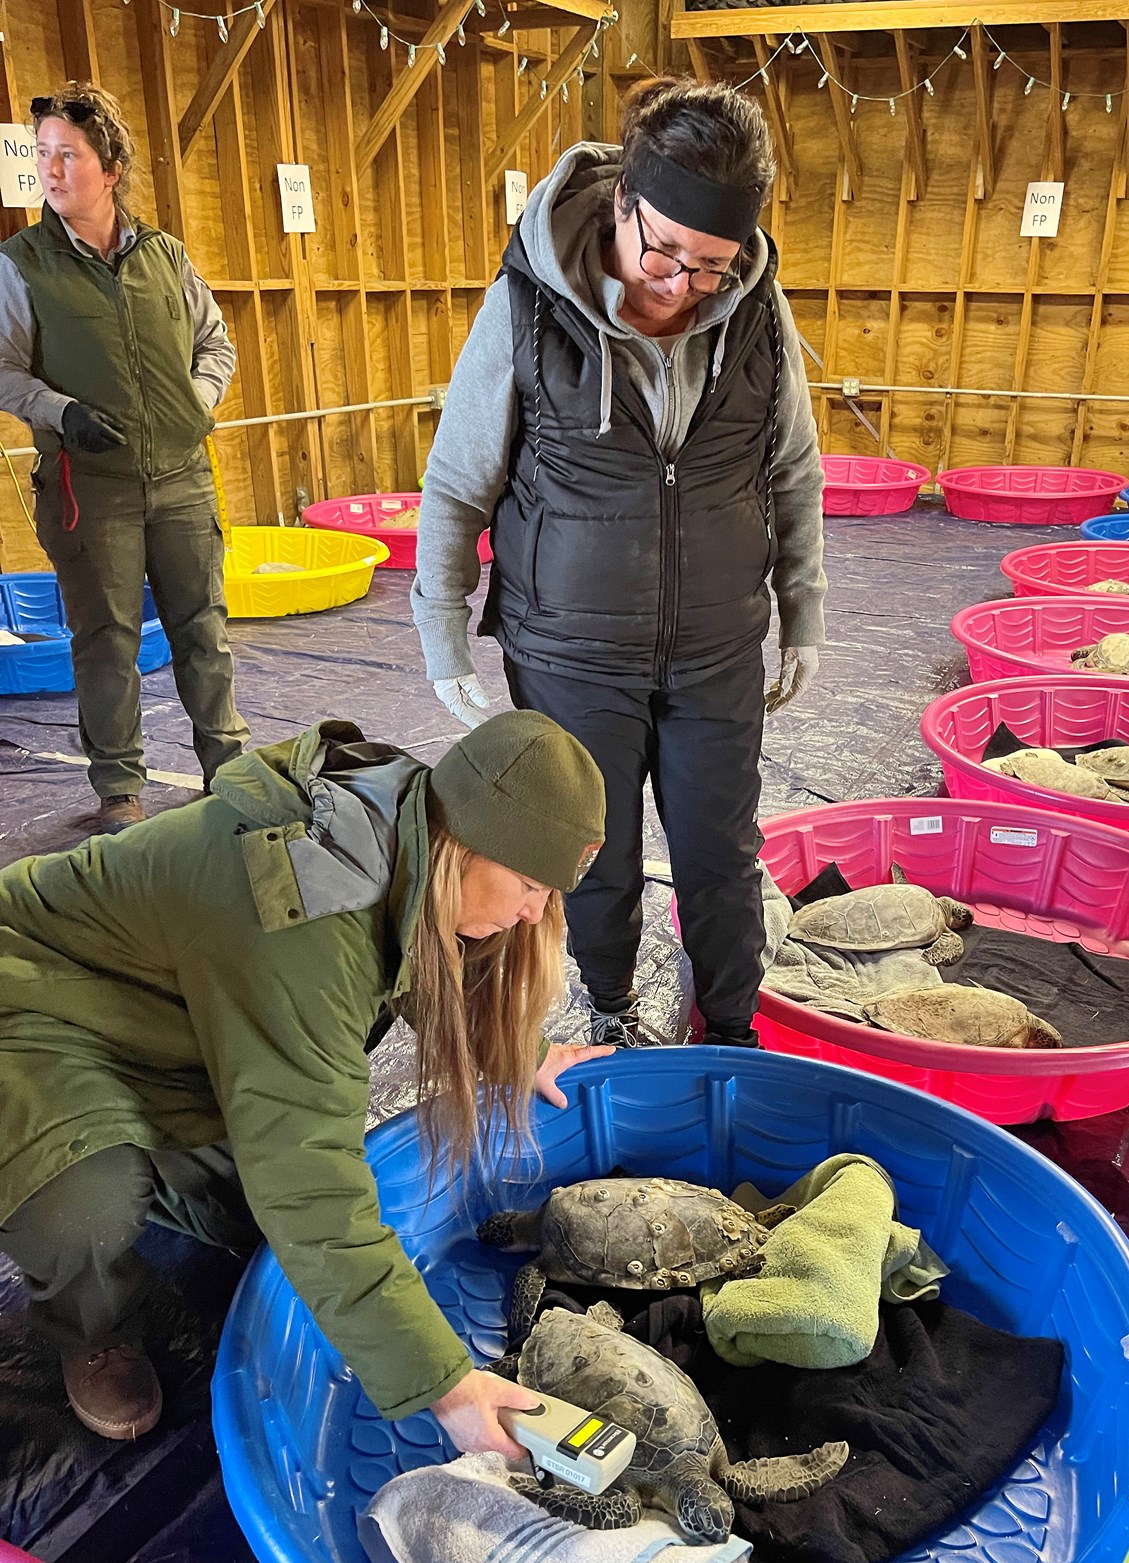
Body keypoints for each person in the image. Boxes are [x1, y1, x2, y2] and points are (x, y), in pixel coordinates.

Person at [0, 710, 611, 1444]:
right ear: (468, 840)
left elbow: (429, 961)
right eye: (526, 884)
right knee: (84, 1204)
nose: (531, 913)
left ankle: (152, 1151)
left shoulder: (418, 824)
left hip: (169, 1022)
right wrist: (442, 1383)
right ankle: (91, 1323)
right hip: (33, 999)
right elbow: (307, 1178)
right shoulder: (308, 901)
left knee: (253, 1219)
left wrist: (520, 1052)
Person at [412, 77, 826, 1051]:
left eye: (712, 266)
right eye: (663, 253)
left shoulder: (759, 317)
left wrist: (801, 608)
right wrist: (442, 636)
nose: (680, 284)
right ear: (624, 207)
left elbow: (794, 469)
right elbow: (456, 480)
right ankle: (608, 1007)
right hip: (568, 645)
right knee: (591, 852)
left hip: (716, 638)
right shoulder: (525, 305)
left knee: (720, 852)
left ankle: (727, 1027)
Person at [0, 81, 248, 835]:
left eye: (67, 154)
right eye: (41, 154)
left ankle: (229, 770)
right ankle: (120, 790)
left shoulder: (166, 257)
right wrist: (61, 413)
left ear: (109, 166)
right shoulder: (22, 264)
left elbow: (218, 343)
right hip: (89, 487)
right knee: (104, 637)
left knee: (202, 625)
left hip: (180, 481)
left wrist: (197, 402)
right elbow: (4, 367)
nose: (51, 169)